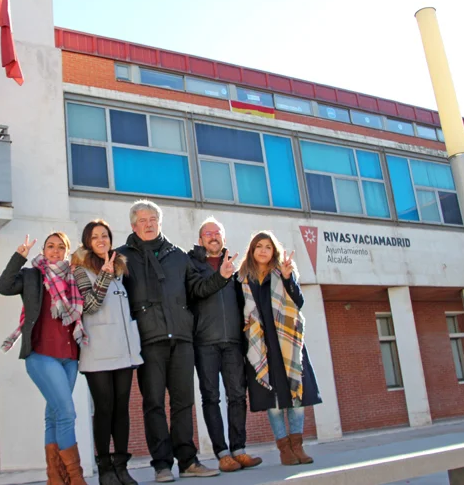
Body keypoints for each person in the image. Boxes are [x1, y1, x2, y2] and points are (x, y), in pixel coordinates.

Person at [117, 200, 236, 483]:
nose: (149, 224)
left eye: (153, 219)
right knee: (154, 404)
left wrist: (221, 277)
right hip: (148, 340)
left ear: (159, 223)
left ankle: (188, 461)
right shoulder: (122, 257)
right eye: (143, 220)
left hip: (182, 338)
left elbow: (197, 289)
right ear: (133, 225)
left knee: (183, 403)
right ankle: (161, 465)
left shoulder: (178, 255)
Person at [0, 232, 88, 485]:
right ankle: (76, 478)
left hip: (69, 357)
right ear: (44, 250)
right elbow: (4, 287)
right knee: (67, 413)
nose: (55, 251)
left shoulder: (74, 277)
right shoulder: (32, 275)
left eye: (60, 247)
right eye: (50, 246)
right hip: (41, 354)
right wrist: (19, 257)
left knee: (55, 416)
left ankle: (55, 479)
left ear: (67, 252)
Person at [237, 231, 321, 466]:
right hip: (261, 346)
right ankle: (284, 449)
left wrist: (288, 278)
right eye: (259, 246)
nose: (263, 250)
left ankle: (298, 447)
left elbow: (299, 302)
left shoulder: (283, 272)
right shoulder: (242, 279)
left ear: (274, 251)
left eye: (268, 247)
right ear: (252, 251)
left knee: (296, 397)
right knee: (272, 402)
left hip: (287, 343)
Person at [188, 217, 263, 472]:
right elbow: (196, 291)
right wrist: (220, 276)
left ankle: (238, 450)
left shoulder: (236, 268)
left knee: (238, 396)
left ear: (224, 238)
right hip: (204, 342)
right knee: (211, 397)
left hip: (233, 342)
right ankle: (222, 453)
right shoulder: (192, 264)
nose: (213, 237)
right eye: (208, 233)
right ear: (200, 240)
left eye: (217, 233)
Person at [72, 219, 142, 485]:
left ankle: (121, 466)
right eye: (95, 237)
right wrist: (104, 274)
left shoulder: (121, 268)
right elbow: (89, 306)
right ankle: (104, 468)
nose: (101, 240)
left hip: (124, 350)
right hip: (98, 350)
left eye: (105, 235)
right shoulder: (81, 269)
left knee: (122, 409)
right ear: (87, 242)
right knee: (104, 408)